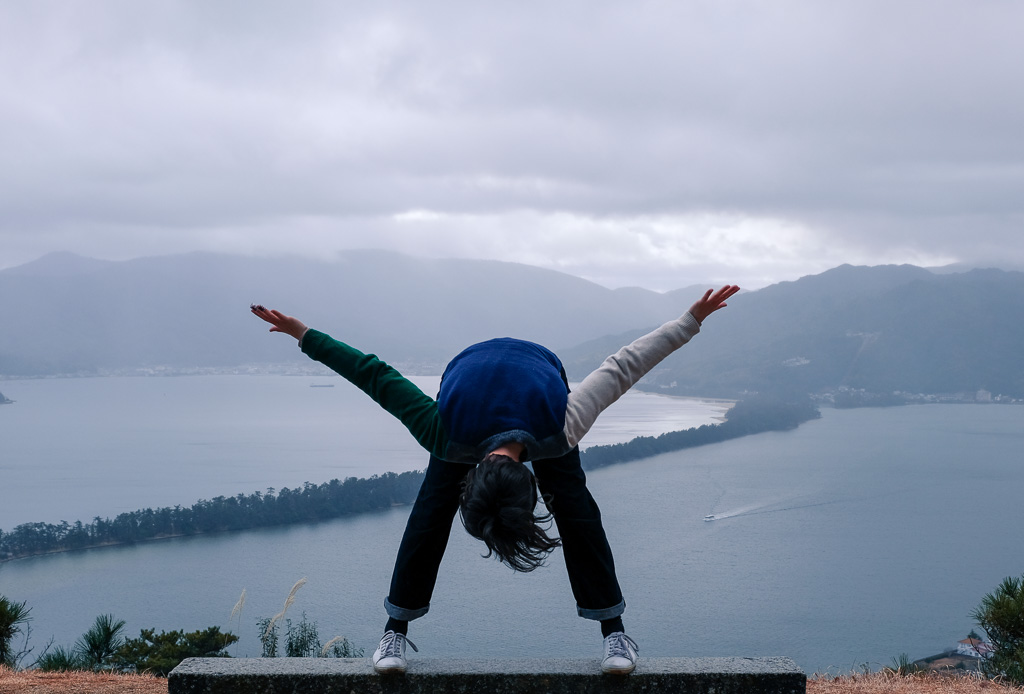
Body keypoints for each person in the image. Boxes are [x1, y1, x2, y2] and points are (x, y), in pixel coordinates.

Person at [250, 284, 739, 674]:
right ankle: (393, 632)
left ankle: (616, 635)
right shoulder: (444, 431)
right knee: (430, 513)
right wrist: (302, 334)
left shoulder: (560, 426)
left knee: (575, 508)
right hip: (468, 370)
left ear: (530, 480)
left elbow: (623, 366)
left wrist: (691, 320)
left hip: (539, 366)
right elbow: (373, 374)